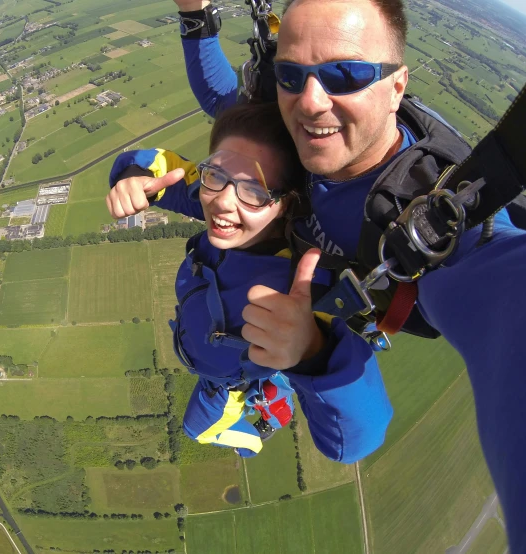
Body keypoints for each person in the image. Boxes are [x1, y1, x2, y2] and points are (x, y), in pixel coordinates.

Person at [167, 0, 526, 551]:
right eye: (290, 75)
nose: (312, 100)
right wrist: (196, 17)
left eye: (347, 74)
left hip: (316, 334)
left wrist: (314, 353)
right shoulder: (304, 135)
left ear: (396, 86)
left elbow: (523, 306)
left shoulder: (438, 226)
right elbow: (224, 104)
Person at [107, 102, 392, 460]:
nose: (223, 202)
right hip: (216, 355)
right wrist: (131, 175)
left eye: (254, 191)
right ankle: (277, 385)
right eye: (214, 175)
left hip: (227, 383)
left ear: (284, 204)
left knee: (199, 430)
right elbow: (161, 168)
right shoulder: (223, 204)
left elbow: (354, 442)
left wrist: (313, 353)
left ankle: (260, 428)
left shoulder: (301, 290)